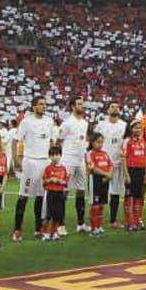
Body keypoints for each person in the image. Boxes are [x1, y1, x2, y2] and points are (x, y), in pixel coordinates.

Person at [12, 96, 55, 242]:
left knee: (41, 197)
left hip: (45, 162)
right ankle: (17, 230)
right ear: (34, 106)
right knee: (24, 196)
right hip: (30, 162)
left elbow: (52, 141)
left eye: (45, 104)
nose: (44, 106)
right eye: (41, 104)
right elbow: (15, 140)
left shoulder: (49, 121)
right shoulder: (26, 121)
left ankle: (38, 229)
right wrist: (16, 159)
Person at [58, 96, 90, 234]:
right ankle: (60, 224)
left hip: (80, 160)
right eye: (79, 104)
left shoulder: (85, 123)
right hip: (68, 160)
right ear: (72, 106)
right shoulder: (67, 123)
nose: (82, 106)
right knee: (64, 191)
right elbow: (58, 140)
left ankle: (81, 223)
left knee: (81, 190)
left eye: (82, 104)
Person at [95, 101, 126, 228]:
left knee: (115, 192)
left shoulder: (124, 125)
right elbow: (95, 142)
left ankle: (113, 220)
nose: (115, 109)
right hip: (103, 164)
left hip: (118, 163)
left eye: (117, 107)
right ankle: (97, 221)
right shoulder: (101, 125)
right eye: (112, 107)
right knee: (100, 193)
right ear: (108, 110)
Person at [122, 120, 146, 231]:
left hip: (141, 171)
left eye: (140, 128)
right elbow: (123, 158)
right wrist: (126, 174)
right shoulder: (127, 141)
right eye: (136, 127)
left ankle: (137, 221)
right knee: (129, 196)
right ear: (130, 128)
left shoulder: (142, 140)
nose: (138, 130)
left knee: (138, 196)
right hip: (131, 170)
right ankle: (129, 222)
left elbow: (145, 157)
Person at [85, 132, 112, 235]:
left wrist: (109, 174)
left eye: (101, 142)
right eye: (98, 142)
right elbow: (92, 168)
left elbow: (111, 165)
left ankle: (99, 226)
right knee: (95, 205)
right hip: (95, 181)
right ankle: (93, 228)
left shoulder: (105, 154)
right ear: (92, 142)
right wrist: (106, 174)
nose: (100, 144)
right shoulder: (90, 154)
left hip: (105, 181)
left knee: (101, 205)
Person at [41, 146, 69, 241]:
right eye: (52, 155)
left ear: (60, 155)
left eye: (57, 154)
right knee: (49, 214)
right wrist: (50, 180)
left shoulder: (63, 169)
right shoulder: (48, 168)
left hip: (59, 194)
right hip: (51, 193)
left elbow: (65, 182)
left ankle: (54, 233)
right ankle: (45, 233)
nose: (55, 157)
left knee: (58, 215)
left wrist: (60, 181)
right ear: (49, 156)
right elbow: (44, 181)